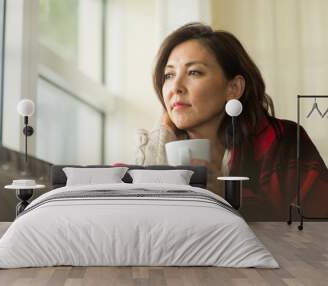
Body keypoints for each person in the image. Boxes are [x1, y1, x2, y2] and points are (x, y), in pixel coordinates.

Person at [136, 22, 328, 221]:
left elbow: (316, 231)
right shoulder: (154, 149)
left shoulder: (285, 141)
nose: (175, 87)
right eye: (169, 75)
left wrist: (225, 194)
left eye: (194, 72)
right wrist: (160, 139)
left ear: (233, 88)